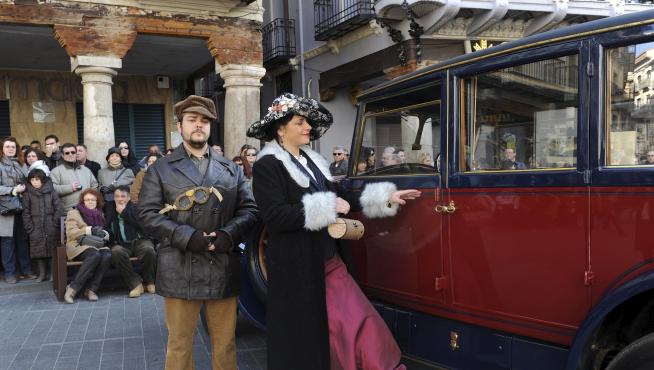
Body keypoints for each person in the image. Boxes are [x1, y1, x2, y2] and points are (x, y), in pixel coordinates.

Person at [248, 93, 421, 370]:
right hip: (298, 271)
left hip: (329, 263)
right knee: (310, 344)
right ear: (280, 128)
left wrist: (388, 196)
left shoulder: (314, 162)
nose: (308, 127)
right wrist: (328, 206)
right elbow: (277, 216)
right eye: (300, 122)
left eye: (308, 122)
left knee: (360, 324)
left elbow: (343, 195)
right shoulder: (267, 165)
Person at [138, 95, 258, 370]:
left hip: (222, 265)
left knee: (226, 345)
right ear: (180, 127)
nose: (199, 125)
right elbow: (146, 215)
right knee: (179, 346)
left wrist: (228, 235)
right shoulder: (160, 169)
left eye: (204, 121)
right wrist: (186, 236)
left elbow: (250, 210)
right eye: (192, 120)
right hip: (180, 267)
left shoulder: (230, 169)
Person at [106, 185, 156, 298]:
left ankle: (149, 281)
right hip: (121, 243)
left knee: (149, 250)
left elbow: (142, 225)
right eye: (117, 196)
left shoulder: (136, 208)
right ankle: (135, 283)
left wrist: (124, 212)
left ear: (129, 197)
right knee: (116, 252)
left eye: (123, 196)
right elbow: (106, 225)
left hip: (139, 240)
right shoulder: (110, 208)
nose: (120, 199)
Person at [63, 189, 111, 303]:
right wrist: (89, 230)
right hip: (78, 245)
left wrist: (105, 235)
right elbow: (71, 233)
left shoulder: (100, 213)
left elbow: (104, 232)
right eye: (87, 200)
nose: (90, 202)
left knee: (107, 255)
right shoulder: (74, 213)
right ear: (82, 201)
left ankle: (91, 289)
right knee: (94, 255)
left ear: (97, 201)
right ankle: (73, 288)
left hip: (97, 245)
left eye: (93, 200)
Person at [0, 137, 34, 284]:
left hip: (22, 207)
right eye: (7, 146)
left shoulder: (22, 164)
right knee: (7, 242)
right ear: (2, 149)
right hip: (6, 209)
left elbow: (28, 181)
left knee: (22, 241)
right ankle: (10, 273)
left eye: (13, 147)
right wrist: (13, 189)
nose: (10, 149)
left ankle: (26, 271)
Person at [22, 169, 63, 282]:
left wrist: (55, 223)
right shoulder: (27, 194)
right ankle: (42, 274)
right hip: (35, 226)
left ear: (42, 180)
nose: (34, 182)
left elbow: (58, 208)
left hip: (50, 225)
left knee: (51, 250)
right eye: (32, 180)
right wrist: (29, 227)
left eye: (37, 179)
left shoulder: (51, 192)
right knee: (38, 251)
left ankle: (52, 274)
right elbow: (25, 212)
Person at [51, 143, 99, 211]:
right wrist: (69, 187)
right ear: (62, 155)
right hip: (69, 211)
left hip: (88, 209)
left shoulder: (86, 170)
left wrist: (91, 199)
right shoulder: (56, 171)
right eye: (67, 153)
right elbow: (52, 188)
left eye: (73, 152)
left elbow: (95, 185)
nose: (70, 154)